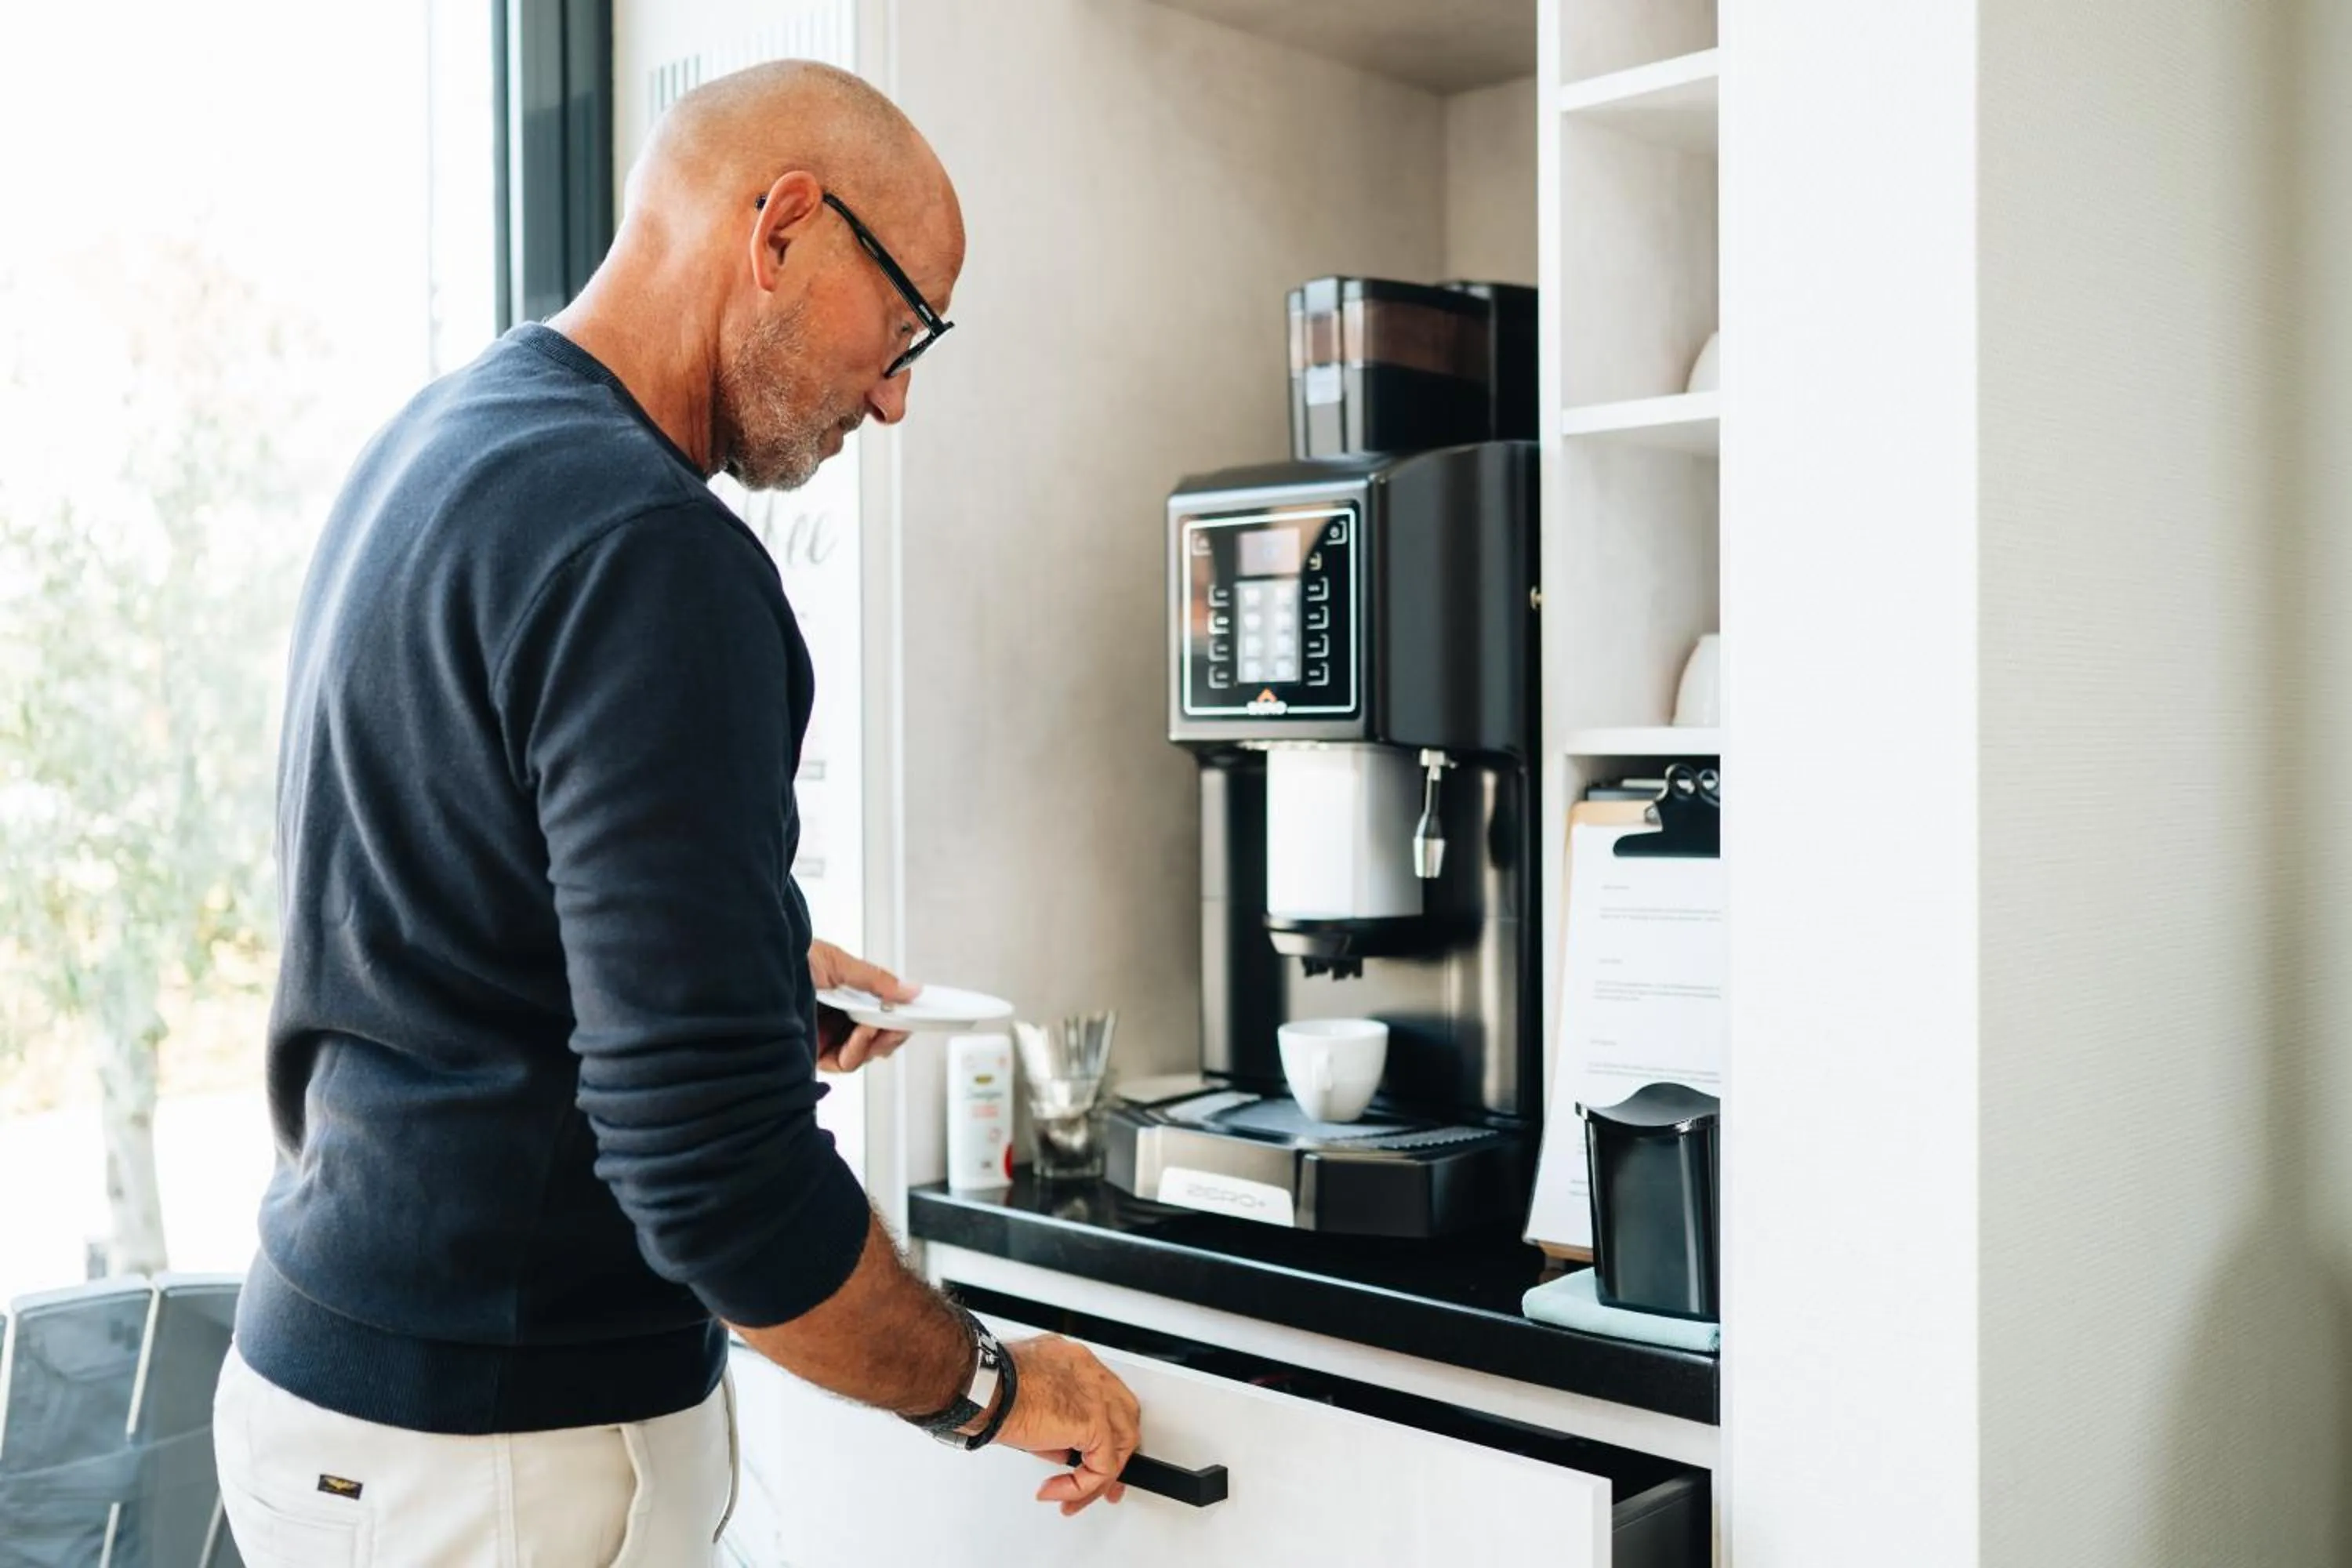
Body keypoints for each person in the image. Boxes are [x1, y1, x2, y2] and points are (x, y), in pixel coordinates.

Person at [212, 60, 1141, 1565]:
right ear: (782, 227)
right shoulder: (657, 555)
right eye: (904, 331)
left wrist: (747, 982)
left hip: (324, 1391)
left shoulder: (438, 448)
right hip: (499, 1457)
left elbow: (441, 915)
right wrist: (989, 1384)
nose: (896, 397)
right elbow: (719, 1190)